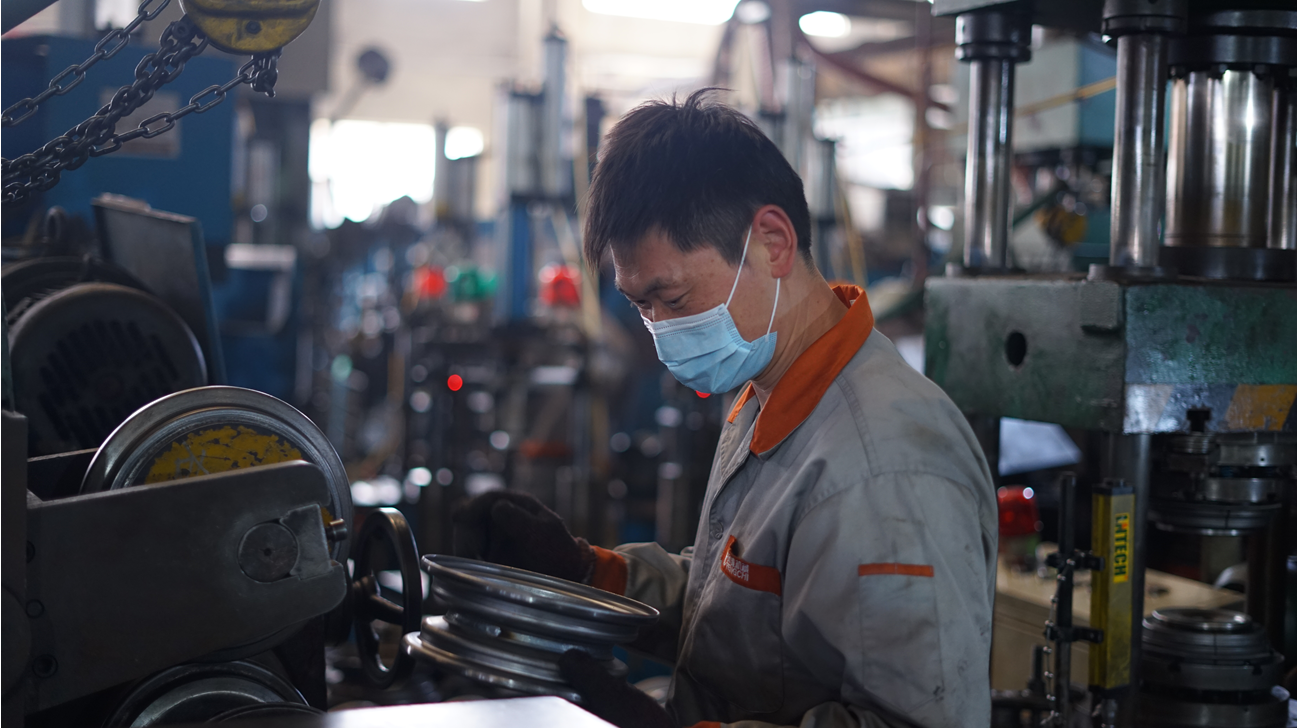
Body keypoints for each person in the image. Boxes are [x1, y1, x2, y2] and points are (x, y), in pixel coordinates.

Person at [452, 90, 998, 728]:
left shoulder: (885, 466)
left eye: (674, 298)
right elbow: (740, 610)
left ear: (773, 242)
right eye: (640, 305)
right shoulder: (768, 391)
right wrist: (586, 573)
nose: (660, 330)